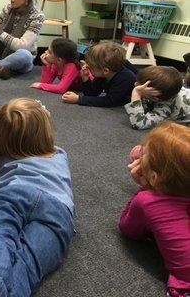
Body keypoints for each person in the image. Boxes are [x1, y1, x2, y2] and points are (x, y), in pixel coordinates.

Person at [0, 98, 75, 297]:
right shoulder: (60, 153)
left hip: (14, 191)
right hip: (57, 208)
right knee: (29, 263)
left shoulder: (3, 157)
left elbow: (19, 166)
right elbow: (33, 165)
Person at [119, 122, 190, 297]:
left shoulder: (148, 201)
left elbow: (128, 229)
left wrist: (145, 188)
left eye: (145, 155)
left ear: (153, 177)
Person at [62, 41, 136, 107]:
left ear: (105, 71)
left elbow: (109, 101)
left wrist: (79, 99)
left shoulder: (126, 78)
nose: (87, 66)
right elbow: (92, 93)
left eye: (91, 67)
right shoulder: (103, 74)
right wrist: (86, 79)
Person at [125, 66, 190, 129]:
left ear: (154, 97)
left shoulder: (165, 107)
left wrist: (136, 93)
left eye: (140, 85)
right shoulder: (165, 93)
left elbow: (139, 123)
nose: (135, 84)